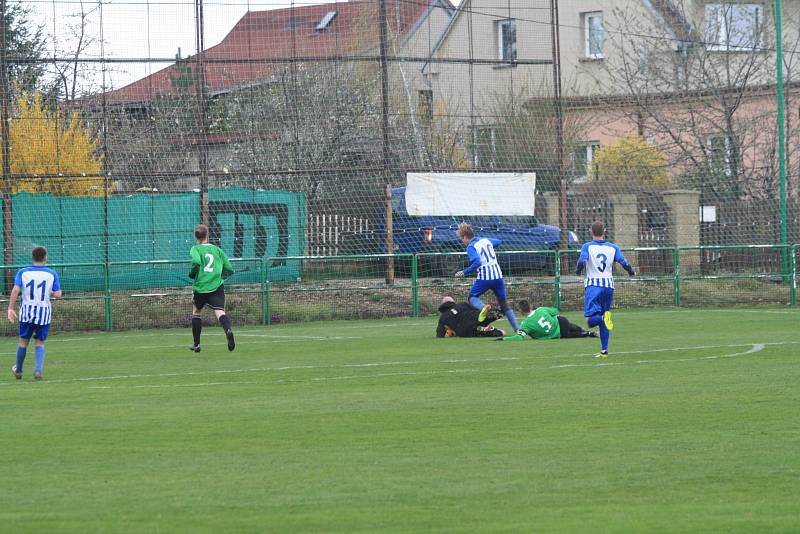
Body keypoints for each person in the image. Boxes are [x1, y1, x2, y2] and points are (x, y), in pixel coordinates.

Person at [575, 221, 635, 358]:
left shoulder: (587, 246)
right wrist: (631, 272)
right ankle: (604, 351)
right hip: (608, 286)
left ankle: (603, 318)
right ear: (605, 231)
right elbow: (624, 262)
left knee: (590, 320)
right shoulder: (613, 247)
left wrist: (578, 271)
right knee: (604, 319)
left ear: (591, 231)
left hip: (593, 286)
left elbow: (582, 261)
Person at [8, 246, 62, 380]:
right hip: (43, 314)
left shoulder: (23, 272)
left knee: (23, 342)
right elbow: (58, 294)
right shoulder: (51, 274)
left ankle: (19, 370)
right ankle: (37, 370)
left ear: (32, 257)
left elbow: (15, 290)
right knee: (39, 342)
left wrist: (10, 308)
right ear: (45, 257)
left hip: (27, 313)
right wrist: (50, 292)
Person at [454, 222, 519, 332]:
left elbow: (477, 262)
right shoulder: (485, 240)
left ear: (465, 237)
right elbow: (499, 242)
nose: (463, 242)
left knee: (472, 297)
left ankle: (484, 308)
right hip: (498, 277)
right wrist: (488, 244)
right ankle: (518, 330)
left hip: (485, 277)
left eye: (462, 239)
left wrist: (464, 272)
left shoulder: (471, 247)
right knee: (504, 305)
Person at [189, 223, 236, 352]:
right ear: (207, 235)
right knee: (220, 312)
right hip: (216, 286)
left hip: (201, 287)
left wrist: (193, 273)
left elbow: (196, 262)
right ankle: (228, 330)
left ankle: (197, 345)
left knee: (196, 312)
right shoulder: (217, 250)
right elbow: (229, 267)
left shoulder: (196, 249)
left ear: (196, 236)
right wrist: (227, 272)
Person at [497, 300, 597, 341]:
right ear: (530, 306)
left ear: (521, 312)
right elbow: (555, 311)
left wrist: (504, 339)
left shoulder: (525, 324)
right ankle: (582, 329)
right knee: (564, 322)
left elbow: (519, 337)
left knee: (568, 335)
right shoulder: (541, 309)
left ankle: (588, 333)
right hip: (562, 322)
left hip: (558, 334)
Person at [436, 296, 505, 338]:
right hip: (473, 318)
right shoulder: (462, 304)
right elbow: (475, 309)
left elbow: (440, 334)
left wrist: (451, 331)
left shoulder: (443, 317)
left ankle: (491, 330)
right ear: (453, 302)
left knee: (501, 332)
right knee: (479, 317)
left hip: (465, 331)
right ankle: (495, 313)